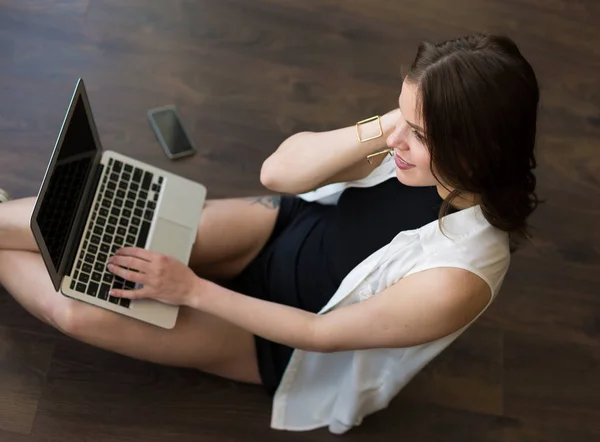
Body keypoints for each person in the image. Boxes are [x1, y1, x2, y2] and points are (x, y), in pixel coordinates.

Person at [0, 33, 539, 434]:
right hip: (284, 230)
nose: (395, 139)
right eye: (397, 112)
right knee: (96, 212)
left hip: (285, 336)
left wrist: (191, 290)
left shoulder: (460, 277)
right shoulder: (408, 144)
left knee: (77, 310)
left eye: (416, 132)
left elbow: (320, 334)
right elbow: (276, 175)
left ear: (474, 148)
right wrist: (395, 123)